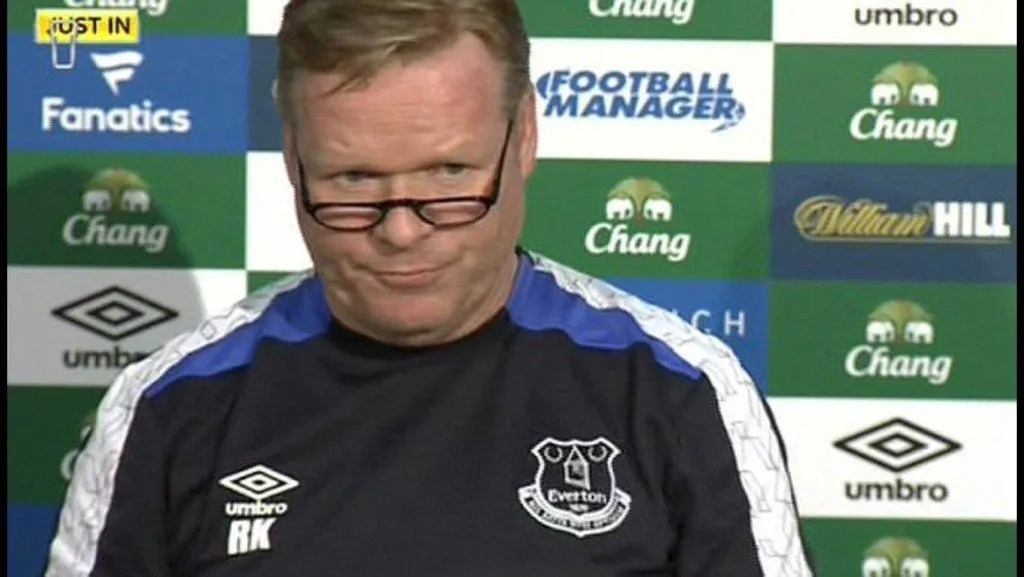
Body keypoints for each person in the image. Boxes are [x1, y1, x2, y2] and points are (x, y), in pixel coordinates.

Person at [44, 1, 817, 575]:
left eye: (449, 175)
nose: (402, 230)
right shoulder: (167, 406)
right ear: (292, 157)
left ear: (526, 135)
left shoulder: (681, 391)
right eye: (353, 180)